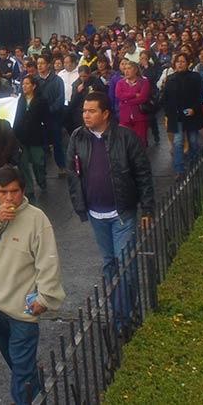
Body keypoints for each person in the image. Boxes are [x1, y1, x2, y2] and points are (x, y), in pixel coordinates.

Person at [0, 165, 65, 404]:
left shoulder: (37, 219)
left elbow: (48, 260)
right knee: (17, 365)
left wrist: (45, 298)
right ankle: (37, 396)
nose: (9, 197)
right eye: (3, 192)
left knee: (21, 372)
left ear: (23, 191)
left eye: (14, 191)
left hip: (22, 310)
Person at [66, 92, 154, 333]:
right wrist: (80, 205)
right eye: (84, 110)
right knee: (109, 265)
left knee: (125, 266)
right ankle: (121, 312)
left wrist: (147, 207)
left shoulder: (126, 137)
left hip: (122, 214)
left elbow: (143, 173)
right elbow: (73, 174)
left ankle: (123, 319)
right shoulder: (77, 137)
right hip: (97, 215)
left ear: (105, 113)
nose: (86, 115)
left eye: (91, 110)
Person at [160, 53, 203, 179]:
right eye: (178, 61)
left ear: (188, 63)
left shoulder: (195, 77)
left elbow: (201, 95)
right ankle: (179, 169)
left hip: (192, 114)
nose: (180, 64)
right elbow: (165, 98)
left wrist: (194, 109)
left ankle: (195, 163)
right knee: (178, 142)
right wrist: (169, 114)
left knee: (193, 141)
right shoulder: (170, 79)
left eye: (183, 61)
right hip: (177, 116)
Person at [13, 76, 48, 201]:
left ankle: (41, 180)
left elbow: (46, 120)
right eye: (23, 84)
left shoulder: (41, 100)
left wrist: (47, 138)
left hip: (36, 137)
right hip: (22, 138)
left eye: (27, 84)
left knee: (38, 163)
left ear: (34, 86)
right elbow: (17, 117)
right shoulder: (20, 100)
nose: (24, 86)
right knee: (23, 165)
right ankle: (29, 189)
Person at [36, 54, 67, 174]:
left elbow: (60, 98)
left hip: (54, 117)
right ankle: (42, 170)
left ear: (48, 64)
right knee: (41, 144)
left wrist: (49, 110)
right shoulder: (35, 80)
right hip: (39, 118)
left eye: (42, 63)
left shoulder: (57, 80)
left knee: (57, 142)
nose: (39, 66)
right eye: (38, 63)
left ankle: (61, 166)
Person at [115, 61, 151, 147]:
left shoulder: (144, 82)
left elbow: (142, 98)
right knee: (125, 143)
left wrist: (126, 101)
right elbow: (119, 95)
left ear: (135, 70)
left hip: (139, 117)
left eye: (129, 68)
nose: (126, 71)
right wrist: (134, 95)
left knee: (140, 142)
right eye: (125, 69)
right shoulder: (120, 83)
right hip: (125, 118)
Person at [65, 65, 105, 134]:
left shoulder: (96, 81)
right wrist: (77, 92)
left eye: (85, 76)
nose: (83, 78)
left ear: (89, 74)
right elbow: (73, 103)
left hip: (94, 109)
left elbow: (103, 94)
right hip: (80, 112)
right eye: (81, 76)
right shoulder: (76, 84)